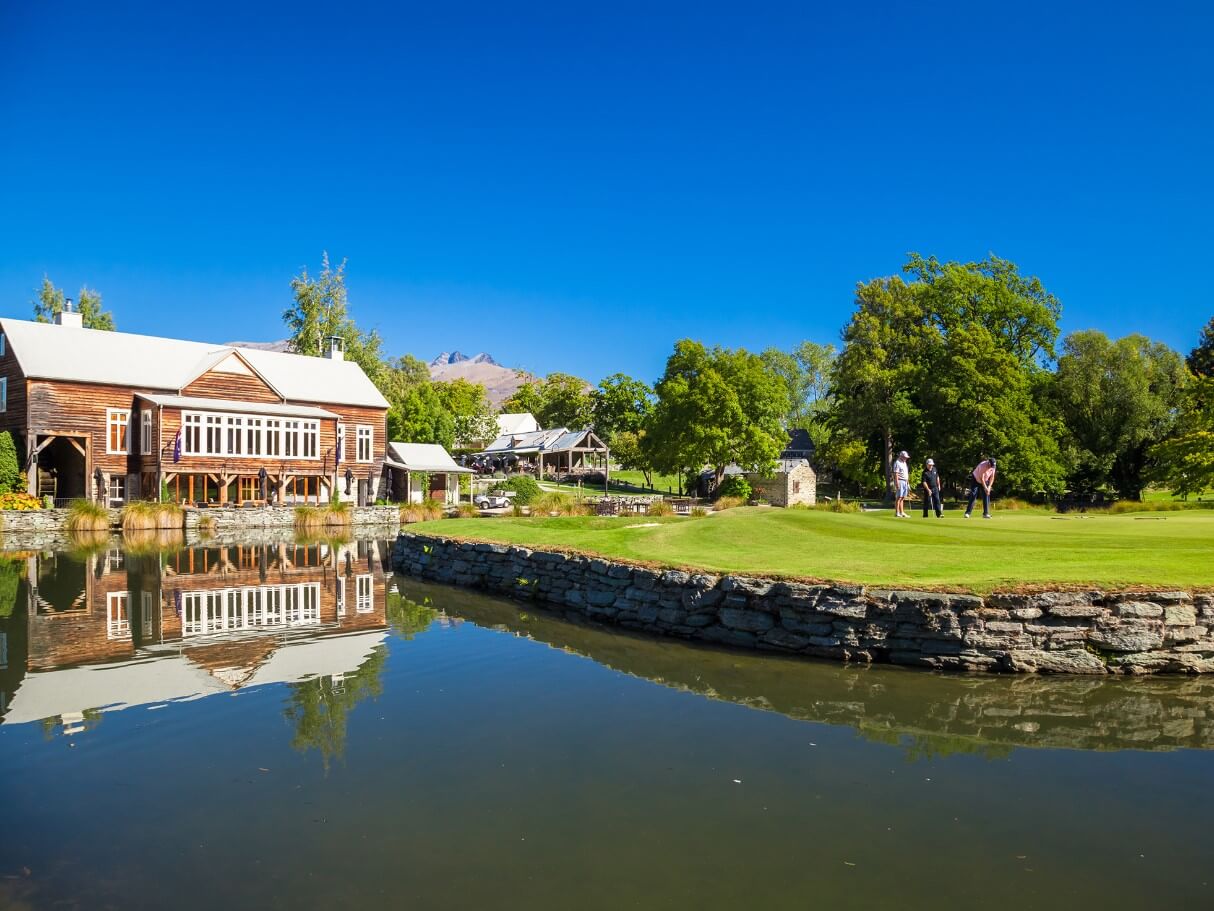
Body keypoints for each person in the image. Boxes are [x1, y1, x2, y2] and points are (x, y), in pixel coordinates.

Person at [892, 450, 910, 518]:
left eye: (906, 457)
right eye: (905, 457)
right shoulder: (897, 463)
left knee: (902, 497)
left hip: (905, 481)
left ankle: (902, 512)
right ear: (901, 456)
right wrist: (896, 483)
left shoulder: (904, 463)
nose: (906, 458)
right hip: (900, 481)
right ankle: (897, 512)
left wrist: (908, 483)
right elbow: (896, 473)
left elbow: (906, 474)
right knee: (899, 497)